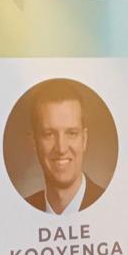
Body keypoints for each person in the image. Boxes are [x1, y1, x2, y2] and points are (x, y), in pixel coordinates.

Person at [24, 80, 105, 214]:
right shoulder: (18, 213)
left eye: (71, 133)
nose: (61, 148)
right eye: (49, 134)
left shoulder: (115, 206)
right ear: (34, 142)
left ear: (84, 139)